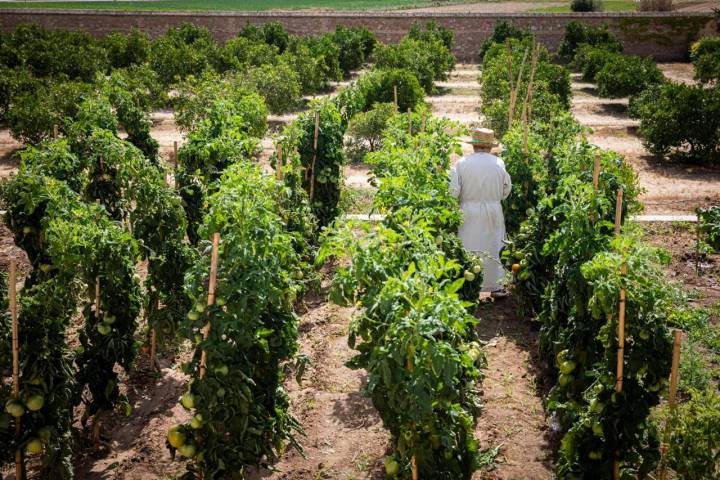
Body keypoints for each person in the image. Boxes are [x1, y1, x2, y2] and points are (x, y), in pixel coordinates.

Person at [449, 128, 512, 297]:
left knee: (469, 246)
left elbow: (453, 191)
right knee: (493, 246)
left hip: (468, 210)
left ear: (474, 146)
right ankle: (497, 287)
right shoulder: (499, 163)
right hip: (493, 210)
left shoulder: (462, 163)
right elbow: (506, 189)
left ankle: (469, 287)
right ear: (490, 146)